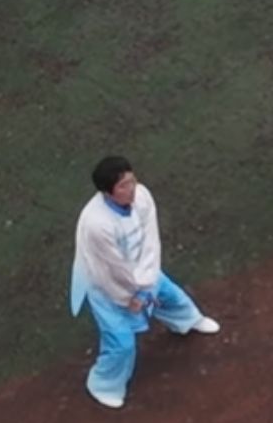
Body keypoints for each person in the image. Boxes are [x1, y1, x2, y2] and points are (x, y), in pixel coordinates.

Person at [67, 155, 218, 409]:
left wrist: (146, 286)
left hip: (141, 268)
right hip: (106, 286)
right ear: (108, 192)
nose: (132, 189)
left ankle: (187, 320)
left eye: (132, 181)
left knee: (169, 294)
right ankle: (104, 385)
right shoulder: (97, 225)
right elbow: (110, 270)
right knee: (121, 343)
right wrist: (130, 297)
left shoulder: (142, 196)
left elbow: (150, 242)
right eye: (123, 186)